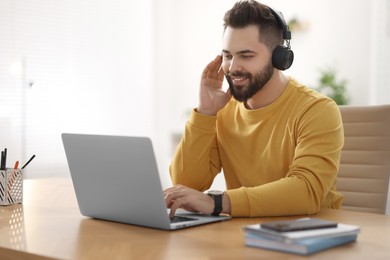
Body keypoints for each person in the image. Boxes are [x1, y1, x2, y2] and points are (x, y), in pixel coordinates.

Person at [163, 0, 344, 218]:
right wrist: (205, 113)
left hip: (309, 237)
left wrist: (218, 202)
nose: (232, 67)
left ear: (280, 58)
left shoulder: (317, 110)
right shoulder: (223, 111)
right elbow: (186, 184)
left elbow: (306, 191)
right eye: (228, 55)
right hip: (243, 234)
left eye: (246, 56)